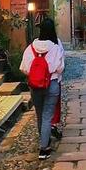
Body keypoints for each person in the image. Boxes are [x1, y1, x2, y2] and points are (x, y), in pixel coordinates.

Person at [20, 16, 65, 159]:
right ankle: (44, 148)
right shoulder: (55, 48)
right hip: (51, 84)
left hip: (35, 86)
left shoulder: (30, 48)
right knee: (47, 116)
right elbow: (60, 68)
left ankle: (44, 141)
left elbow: (24, 68)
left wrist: (36, 74)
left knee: (40, 115)